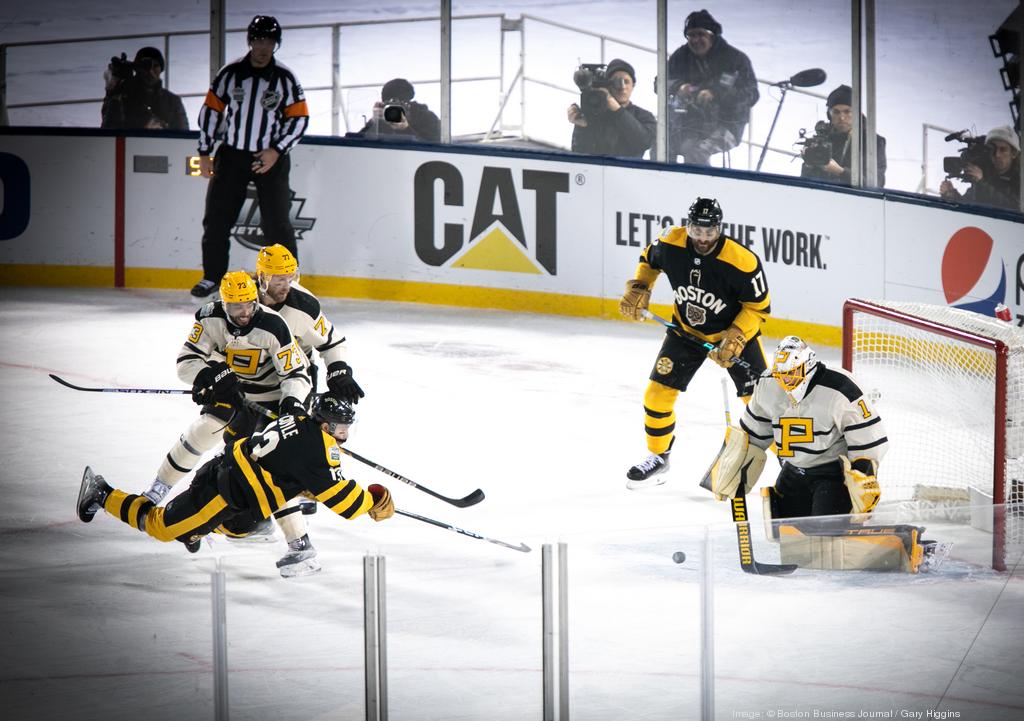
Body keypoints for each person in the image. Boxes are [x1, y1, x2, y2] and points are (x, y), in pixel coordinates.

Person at [701, 336, 947, 572]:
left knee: (827, 541)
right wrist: (733, 465)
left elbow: (868, 438)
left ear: (807, 366)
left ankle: (910, 543)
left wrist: (863, 477)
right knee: (786, 536)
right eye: (781, 374)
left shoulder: (840, 388)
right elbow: (752, 435)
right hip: (792, 473)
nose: (786, 381)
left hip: (830, 476)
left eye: (792, 373)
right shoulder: (767, 385)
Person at [142, 271, 320, 576]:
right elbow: (186, 362)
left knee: (269, 464)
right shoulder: (209, 318)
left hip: (274, 398)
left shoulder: (273, 325)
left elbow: (295, 375)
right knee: (202, 432)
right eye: (237, 307)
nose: (245, 312)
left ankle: (300, 544)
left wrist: (291, 402)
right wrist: (207, 376)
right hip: (233, 393)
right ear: (224, 304)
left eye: (249, 304)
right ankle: (157, 490)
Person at [77, 394, 395, 555]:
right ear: (325, 425)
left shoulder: (298, 419)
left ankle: (195, 530)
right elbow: (346, 503)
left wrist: (305, 486)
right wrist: (372, 502)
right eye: (340, 428)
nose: (344, 435)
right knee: (161, 528)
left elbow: (287, 466)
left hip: (230, 479)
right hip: (223, 493)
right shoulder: (322, 450)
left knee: (245, 529)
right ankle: (102, 493)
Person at [618, 197, 771, 488]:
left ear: (719, 229)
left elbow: (758, 307)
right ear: (689, 226)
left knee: (762, 404)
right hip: (685, 332)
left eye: (709, 232)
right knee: (656, 395)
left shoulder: (742, 261)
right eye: (697, 231)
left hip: (736, 338)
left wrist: (736, 336)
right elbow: (648, 261)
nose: (703, 238)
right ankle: (659, 457)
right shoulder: (670, 242)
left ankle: (798, 465)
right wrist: (640, 287)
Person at [190, 15, 309, 301]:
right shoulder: (230, 73)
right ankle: (212, 277)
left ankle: (285, 281)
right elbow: (210, 113)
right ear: (249, 41)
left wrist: (276, 150)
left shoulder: (285, 78)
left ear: (276, 44)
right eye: (258, 39)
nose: (263, 46)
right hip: (231, 157)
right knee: (217, 220)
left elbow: (300, 120)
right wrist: (205, 152)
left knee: (277, 223)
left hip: (270, 158)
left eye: (269, 40)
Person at [666, 10, 759, 165]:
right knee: (662, 145)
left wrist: (717, 94)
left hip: (728, 124)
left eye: (700, 34)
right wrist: (678, 87)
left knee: (697, 153)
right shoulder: (680, 56)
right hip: (690, 124)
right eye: (691, 35)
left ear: (712, 35)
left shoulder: (736, 59)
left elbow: (752, 94)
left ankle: (701, 188)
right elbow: (660, 82)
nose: (695, 40)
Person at [799, 84, 887, 187]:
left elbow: (875, 184)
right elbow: (805, 184)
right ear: (829, 115)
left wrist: (840, 172)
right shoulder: (821, 140)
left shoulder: (873, 142)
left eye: (847, 112)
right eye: (836, 112)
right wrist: (808, 165)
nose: (842, 118)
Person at [568, 58, 656, 158]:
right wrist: (583, 127)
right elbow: (580, 153)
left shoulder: (644, 116)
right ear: (608, 84)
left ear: (633, 85)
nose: (622, 87)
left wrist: (617, 109)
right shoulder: (594, 113)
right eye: (616, 82)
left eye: (626, 82)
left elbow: (644, 143)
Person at [100, 46, 188, 130]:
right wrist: (114, 91)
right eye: (145, 66)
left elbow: (183, 135)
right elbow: (109, 129)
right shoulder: (122, 96)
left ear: (161, 69)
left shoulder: (173, 101)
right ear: (137, 69)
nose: (150, 71)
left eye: (155, 65)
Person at [939, 125, 1021, 211]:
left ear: (1014, 153)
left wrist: (981, 182)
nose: (997, 155)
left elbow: (1014, 207)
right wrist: (952, 195)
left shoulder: (1020, 180)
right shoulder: (986, 174)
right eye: (992, 149)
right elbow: (969, 207)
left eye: (1003, 149)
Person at [356, 78, 440, 142]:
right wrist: (373, 122)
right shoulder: (381, 120)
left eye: (400, 104)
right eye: (389, 104)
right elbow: (355, 143)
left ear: (408, 103)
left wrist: (406, 129)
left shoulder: (426, 118)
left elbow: (434, 147)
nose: (394, 110)